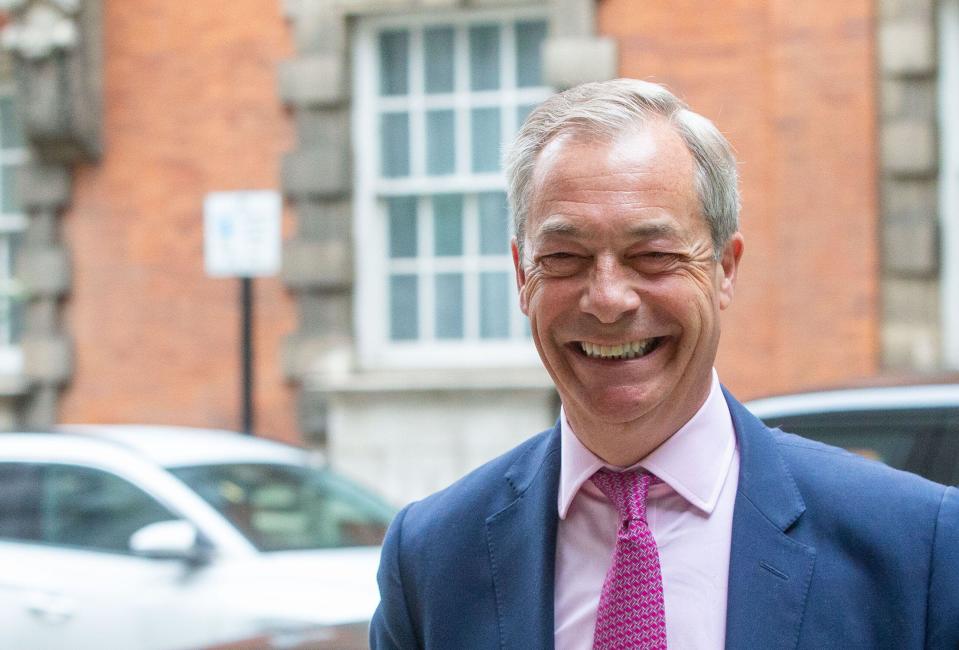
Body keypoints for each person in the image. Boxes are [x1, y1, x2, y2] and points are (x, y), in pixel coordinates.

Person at [369, 78, 959, 649]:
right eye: (566, 257)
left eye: (651, 256)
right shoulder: (431, 557)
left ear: (725, 268)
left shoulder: (916, 545)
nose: (607, 299)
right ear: (523, 275)